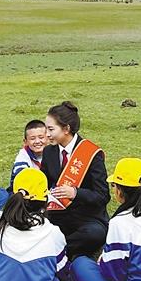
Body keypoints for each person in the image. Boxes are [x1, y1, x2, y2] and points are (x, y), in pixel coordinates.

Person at [39, 101, 110, 259]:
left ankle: (56, 252)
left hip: (87, 216)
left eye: (51, 129)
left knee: (95, 234)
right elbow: (44, 182)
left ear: (66, 129)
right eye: (46, 129)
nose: (47, 135)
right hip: (57, 213)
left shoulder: (91, 153)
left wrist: (75, 193)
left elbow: (103, 196)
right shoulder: (49, 151)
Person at [8, 119, 47, 189]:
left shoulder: (54, 152)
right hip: (26, 190)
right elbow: (22, 177)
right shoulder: (23, 156)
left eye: (41, 137)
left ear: (48, 138)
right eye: (32, 139)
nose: (37, 141)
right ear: (25, 142)